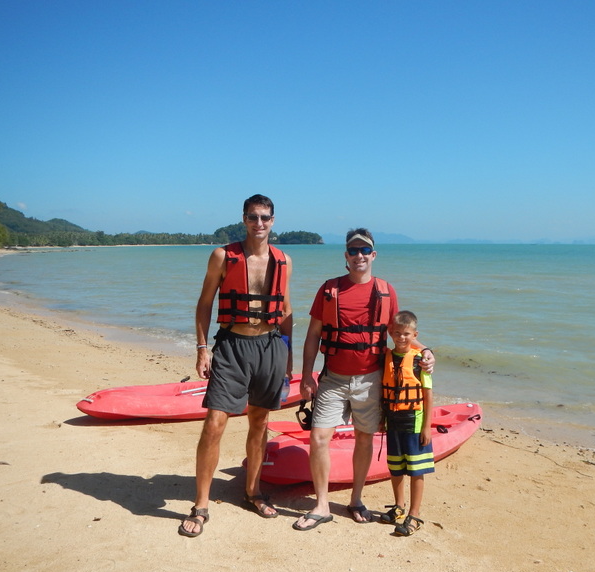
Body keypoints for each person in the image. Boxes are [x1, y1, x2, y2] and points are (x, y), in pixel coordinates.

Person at [293, 228, 434, 531]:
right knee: (319, 437)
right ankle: (321, 505)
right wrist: (306, 375)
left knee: (364, 438)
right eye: (354, 250)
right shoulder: (329, 289)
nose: (359, 255)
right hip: (332, 378)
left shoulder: (386, 291)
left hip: (371, 378)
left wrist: (426, 351)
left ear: (373, 255)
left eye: (365, 250)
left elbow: (401, 335)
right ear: (346, 256)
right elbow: (313, 335)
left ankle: (356, 499)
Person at [179, 194, 293, 538]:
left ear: (273, 221)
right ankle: (201, 505)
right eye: (253, 217)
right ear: (244, 219)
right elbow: (204, 303)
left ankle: (253, 492)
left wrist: (288, 358)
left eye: (265, 217)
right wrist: (202, 349)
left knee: (260, 421)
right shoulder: (223, 256)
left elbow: (286, 310)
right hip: (232, 345)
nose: (259, 223)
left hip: (269, 346)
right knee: (214, 423)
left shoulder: (283, 260)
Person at [378, 310, 434, 536]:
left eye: (407, 334)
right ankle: (399, 507)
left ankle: (415, 514)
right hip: (393, 420)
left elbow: (428, 395)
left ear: (415, 335)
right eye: (397, 333)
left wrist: (427, 427)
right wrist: (382, 419)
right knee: (396, 467)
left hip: (414, 421)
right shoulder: (386, 357)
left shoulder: (421, 361)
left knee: (416, 469)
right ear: (391, 333)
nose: (401, 338)